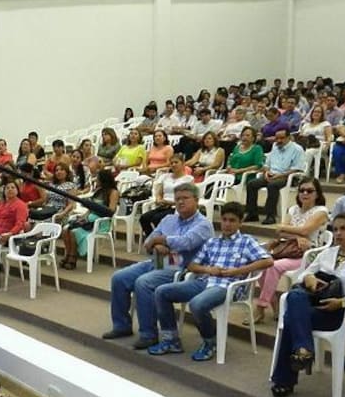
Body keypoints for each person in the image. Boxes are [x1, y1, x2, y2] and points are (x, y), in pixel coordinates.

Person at [268, 213, 345, 397]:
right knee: (295, 295)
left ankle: (286, 378)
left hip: (340, 311)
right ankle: (303, 349)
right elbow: (303, 274)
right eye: (335, 229)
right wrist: (310, 278)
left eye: (344, 229)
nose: (338, 233)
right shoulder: (328, 253)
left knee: (290, 319)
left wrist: (343, 302)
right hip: (315, 303)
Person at [148, 202, 273, 362]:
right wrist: (208, 270)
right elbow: (192, 265)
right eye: (225, 220)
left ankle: (210, 342)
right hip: (204, 281)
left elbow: (268, 261)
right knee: (162, 291)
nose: (227, 224)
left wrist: (237, 271)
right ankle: (171, 339)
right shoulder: (212, 242)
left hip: (228, 286)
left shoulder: (247, 242)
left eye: (232, 220)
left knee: (197, 303)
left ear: (240, 222)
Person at [104, 182, 213, 346]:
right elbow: (149, 240)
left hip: (181, 267)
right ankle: (122, 325)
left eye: (185, 198)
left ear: (196, 200)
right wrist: (156, 243)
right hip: (157, 260)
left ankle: (148, 334)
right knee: (119, 277)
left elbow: (186, 242)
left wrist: (160, 240)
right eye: (177, 199)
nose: (180, 202)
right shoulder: (169, 219)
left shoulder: (203, 224)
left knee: (144, 282)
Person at [254, 177, 330, 323]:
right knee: (262, 264)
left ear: (317, 194)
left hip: (308, 254)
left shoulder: (321, 211)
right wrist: (297, 236)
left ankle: (261, 307)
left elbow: (305, 229)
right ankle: (274, 304)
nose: (305, 193)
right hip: (288, 249)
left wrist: (289, 230)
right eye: (302, 190)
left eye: (309, 190)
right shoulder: (293, 209)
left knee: (273, 266)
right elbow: (280, 232)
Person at [243, 128, 305, 225]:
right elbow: (267, 164)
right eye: (277, 138)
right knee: (251, 184)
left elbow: (297, 168)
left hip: (287, 176)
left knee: (272, 185)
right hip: (271, 174)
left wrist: (280, 175)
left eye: (282, 138)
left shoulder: (297, 149)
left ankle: (270, 216)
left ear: (289, 137)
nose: (279, 140)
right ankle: (252, 213)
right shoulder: (275, 146)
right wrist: (267, 172)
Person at [61, 169, 118, 269]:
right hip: (89, 220)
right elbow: (90, 209)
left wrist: (95, 209)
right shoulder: (98, 191)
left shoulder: (113, 192)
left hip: (100, 222)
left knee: (74, 232)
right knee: (66, 230)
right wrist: (83, 217)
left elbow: (111, 211)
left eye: (98, 178)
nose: (96, 180)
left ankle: (73, 258)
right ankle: (68, 255)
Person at [139, 154, 194, 236]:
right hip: (164, 205)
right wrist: (158, 199)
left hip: (176, 206)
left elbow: (188, 198)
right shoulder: (165, 177)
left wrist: (171, 202)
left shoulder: (188, 179)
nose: (173, 165)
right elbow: (159, 192)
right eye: (171, 163)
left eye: (176, 162)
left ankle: (164, 240)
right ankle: (151, 238)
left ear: (183, 164)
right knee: (144, 218)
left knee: (157, 218)